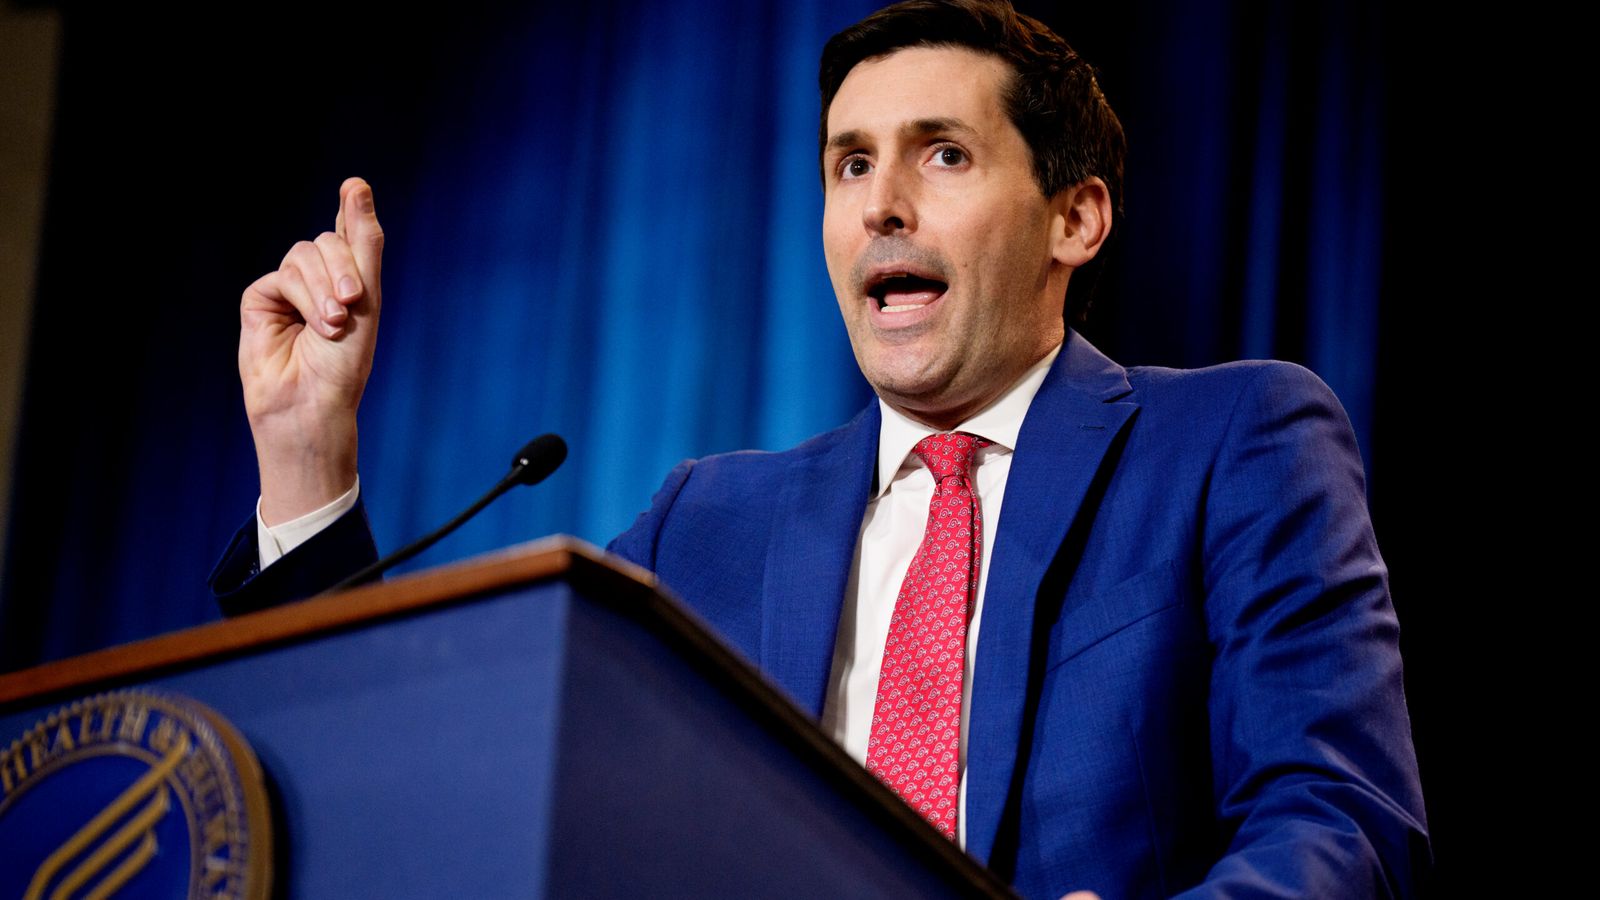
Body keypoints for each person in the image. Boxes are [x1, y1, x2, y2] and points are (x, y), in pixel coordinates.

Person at [210, 1, 1430, 896]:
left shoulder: (1231, 441)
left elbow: (1342, 822)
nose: (880, 203)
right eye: (851, 164)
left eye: (942, 154)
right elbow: (442, 782)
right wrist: (307, 458)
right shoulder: (707, 523)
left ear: (1076, 216)